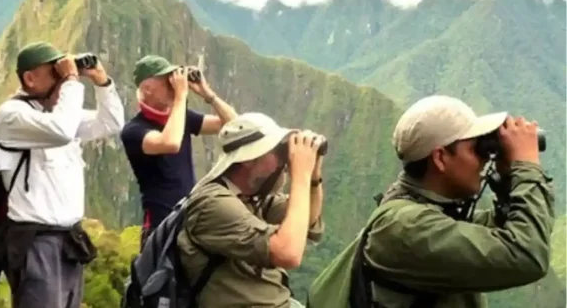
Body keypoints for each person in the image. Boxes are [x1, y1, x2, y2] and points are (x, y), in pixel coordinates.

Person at [307, 95, 555, 308]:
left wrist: (508, 178)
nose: (484, 159)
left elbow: (505, 231)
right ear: (440, 157)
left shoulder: (427, 210)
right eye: (476, 148)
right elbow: (526, 255)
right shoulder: (405, 227)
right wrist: (527, 166)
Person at [0, 41, 125, 308]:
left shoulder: (57, 114)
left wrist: (101, 81)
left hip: (69, 240)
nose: (62, 78)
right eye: (55, 72)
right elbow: (61, 131)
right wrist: (73, 79)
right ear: (29, 78)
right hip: (36, 242)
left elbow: (111, 123)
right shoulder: (12, 115)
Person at [176, 112, 326, 308]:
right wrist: (300, 175)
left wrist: (313, 176)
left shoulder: (253, 196)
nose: (284, 161)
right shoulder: (212, 202)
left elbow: (309, 220)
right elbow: (289, 254)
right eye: (278, 152)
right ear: (248, 158)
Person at [120, 54, 238, 248]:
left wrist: (208, 95)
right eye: (166, 81)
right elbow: (171, 142)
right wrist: (181, 97)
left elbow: (234, 125)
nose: (173, 84)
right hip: (160, 227)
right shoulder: (134, 130)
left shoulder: (181, 117)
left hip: (189, 221)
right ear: (148, 89)